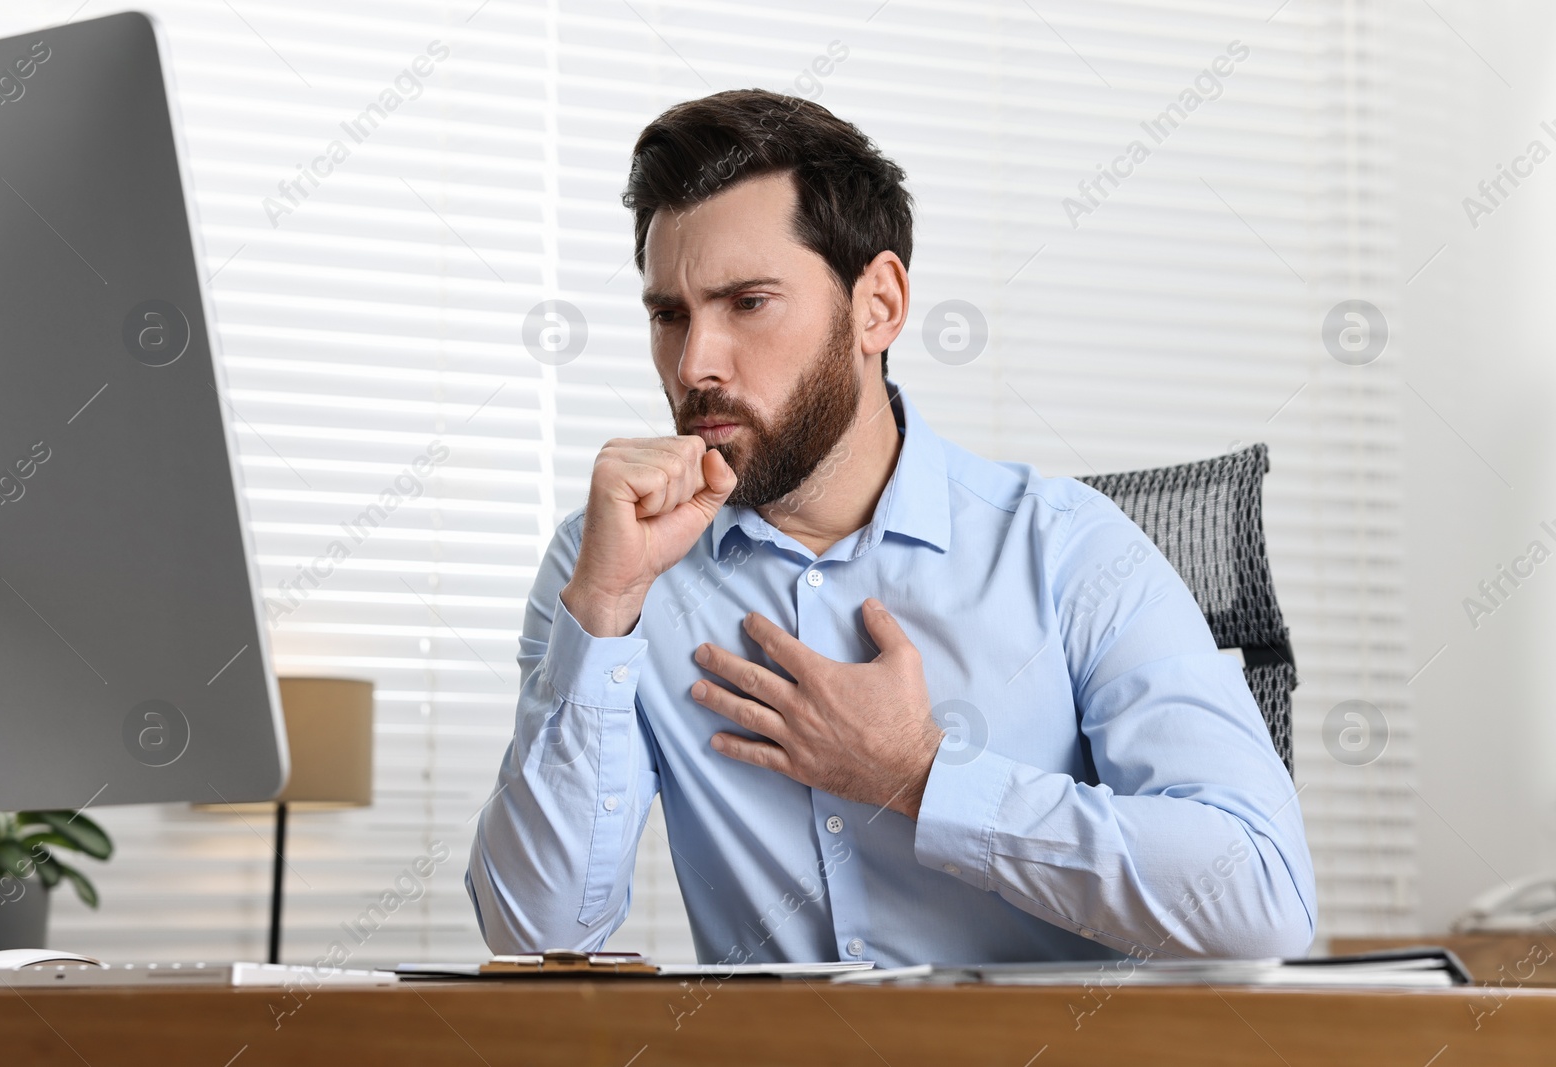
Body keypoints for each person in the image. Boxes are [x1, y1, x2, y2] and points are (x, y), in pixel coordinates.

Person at [465, 88, 1316, 968]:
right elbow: (537, 937)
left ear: (879, 305)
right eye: (668, 314)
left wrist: (919, 774)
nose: (694, 365)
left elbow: (1260, 894)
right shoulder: (612, 561)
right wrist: (604, 610)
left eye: (747, 302)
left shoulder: (1071, 551)